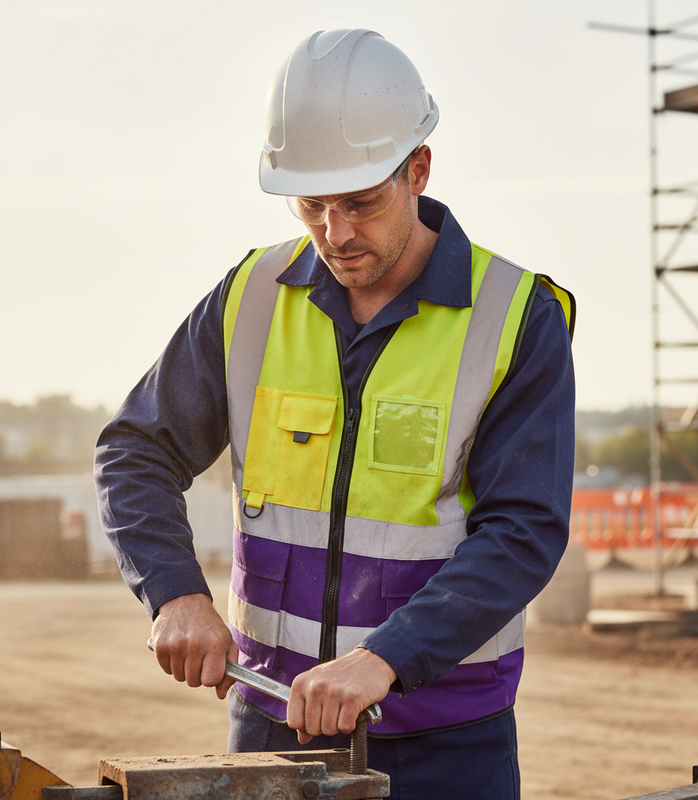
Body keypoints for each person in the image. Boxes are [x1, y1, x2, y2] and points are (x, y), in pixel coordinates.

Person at [94, 28, 576, 799]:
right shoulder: (251, 297)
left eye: (359, 202)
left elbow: (524, 529)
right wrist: (176, 590)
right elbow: (134, 451)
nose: (335, 234)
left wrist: (389, 656)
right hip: (270, 725)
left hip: (445, 743)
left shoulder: (516, 316)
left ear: (418, 169)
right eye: (311, 205)